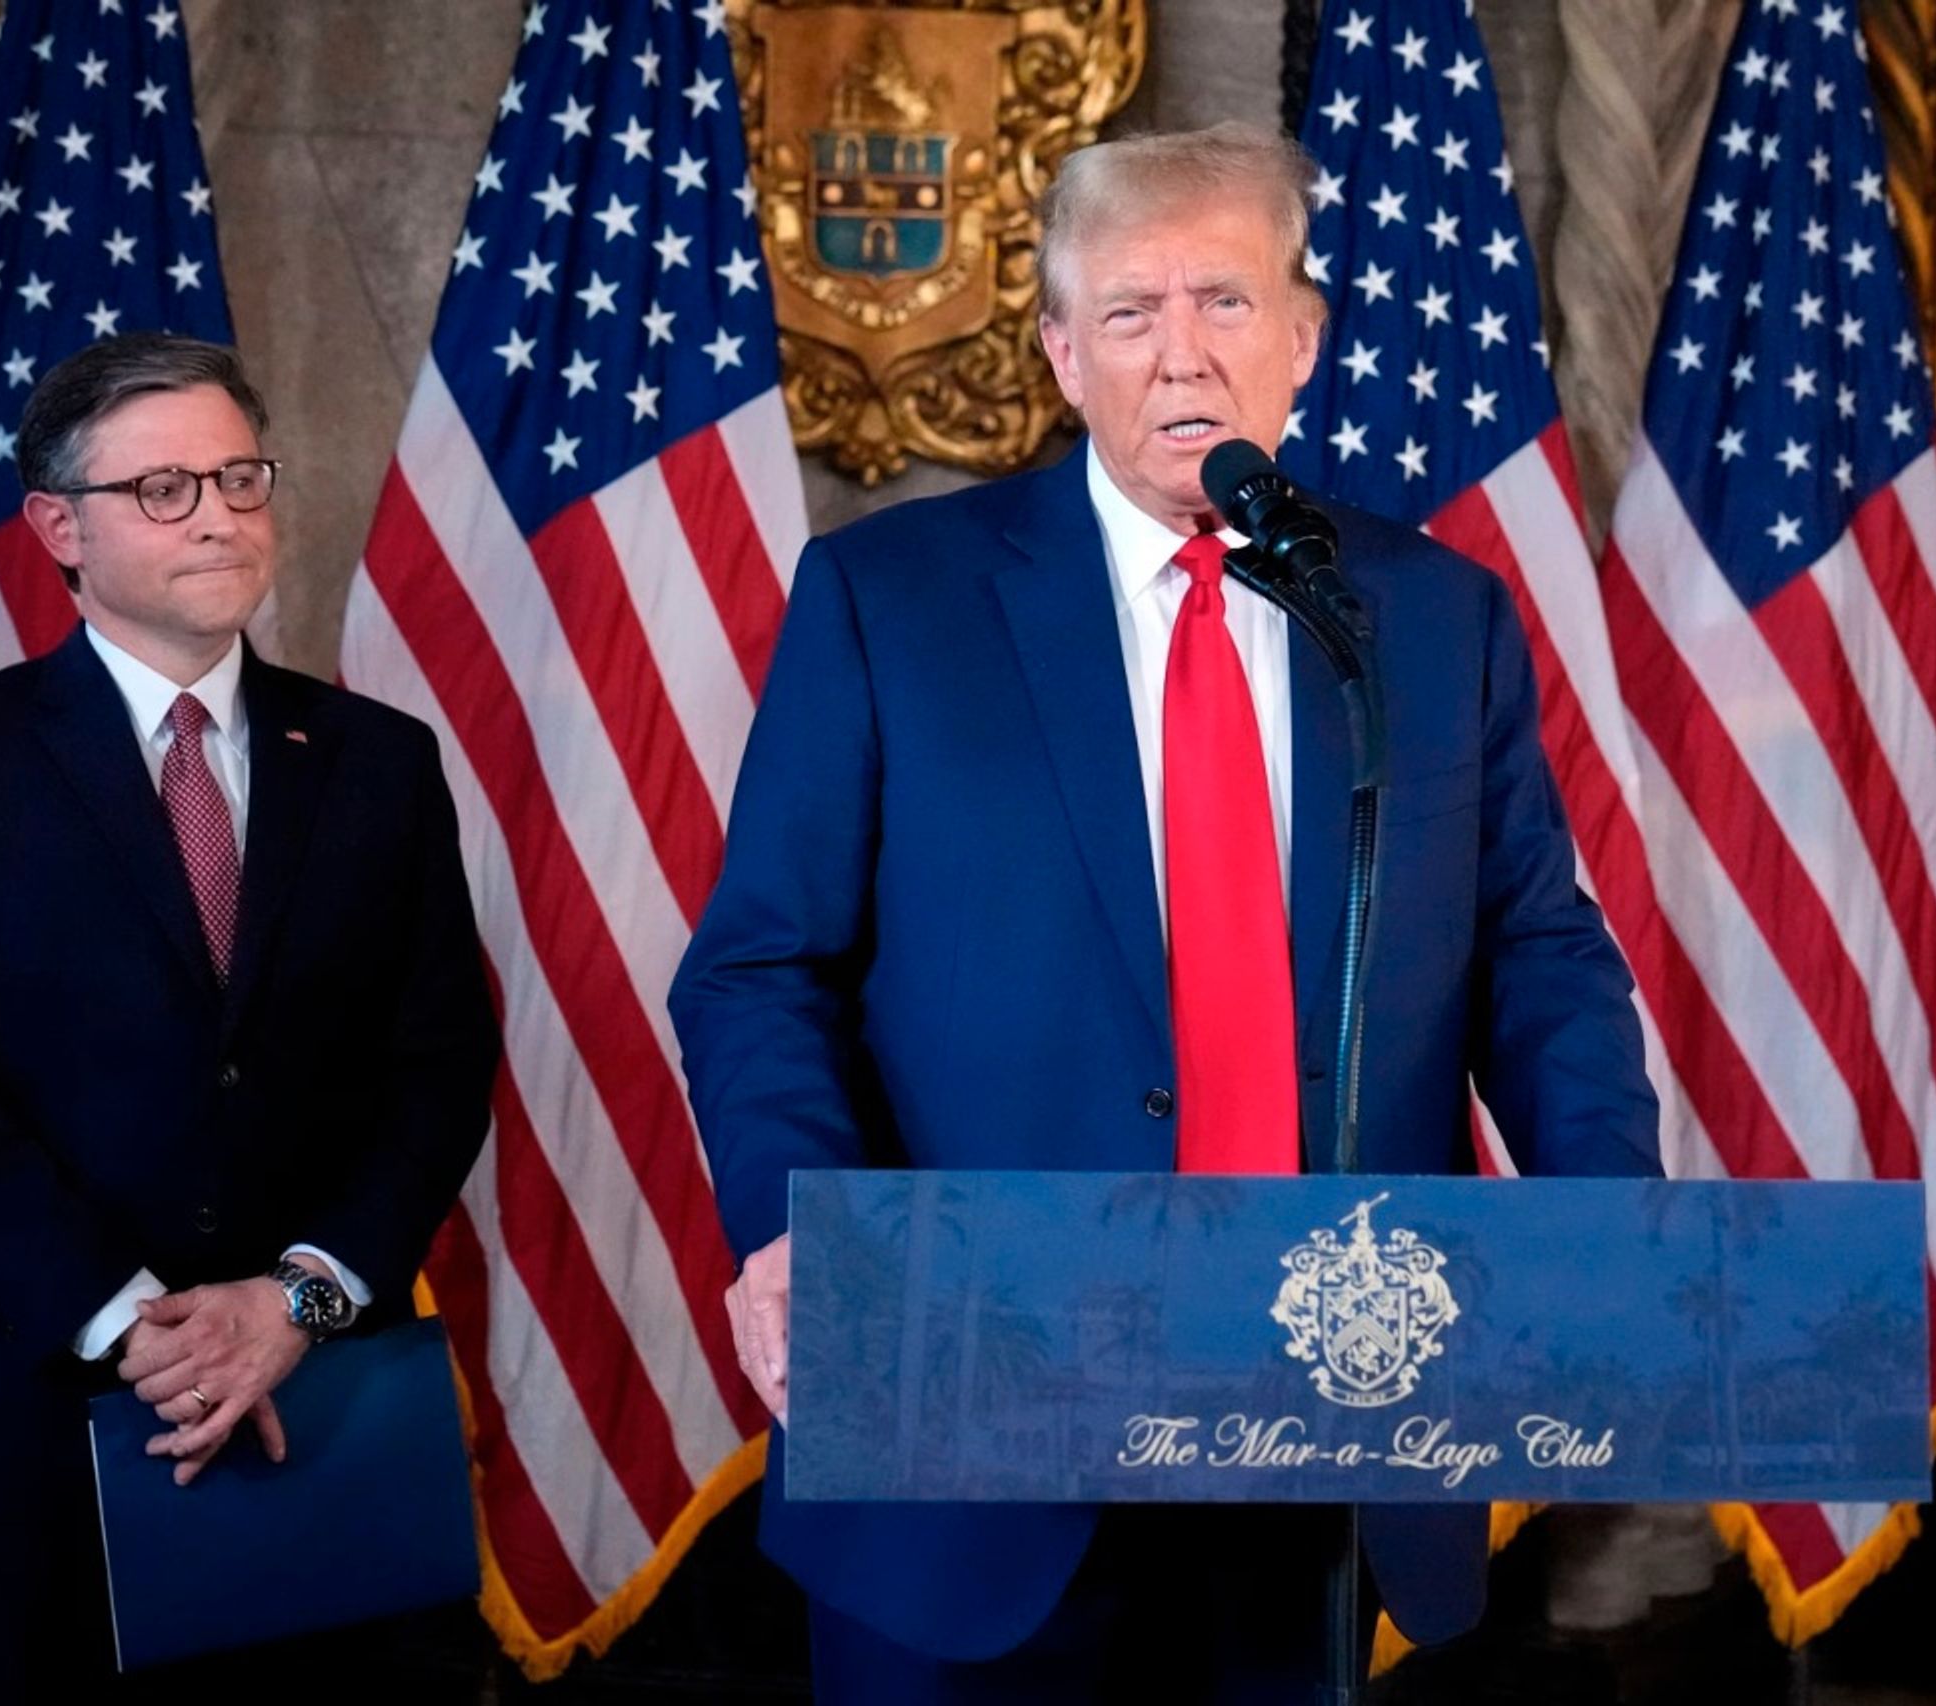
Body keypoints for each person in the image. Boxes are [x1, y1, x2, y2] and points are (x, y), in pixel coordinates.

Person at [669, 123, 1663, 1702]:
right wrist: (803, 1236)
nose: (1180, 353)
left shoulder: (1427, 615)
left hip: (1328, 1435)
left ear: (1304, 337)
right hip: (971, 1440)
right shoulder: (890, 600)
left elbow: (1536, 956)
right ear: (1062, 352)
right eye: (1129, 313)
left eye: (1224, 301)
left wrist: (1615, 1223)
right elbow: (759, 969)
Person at [0, 333, 498, 1699]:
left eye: (240, 477)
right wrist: (135, 1323)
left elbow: (437, 1070)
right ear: (58, 526)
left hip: (314, 1421)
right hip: (18, 1435)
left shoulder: (380, 762)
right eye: (166, 489)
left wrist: (298, 1299)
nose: (218, 514)